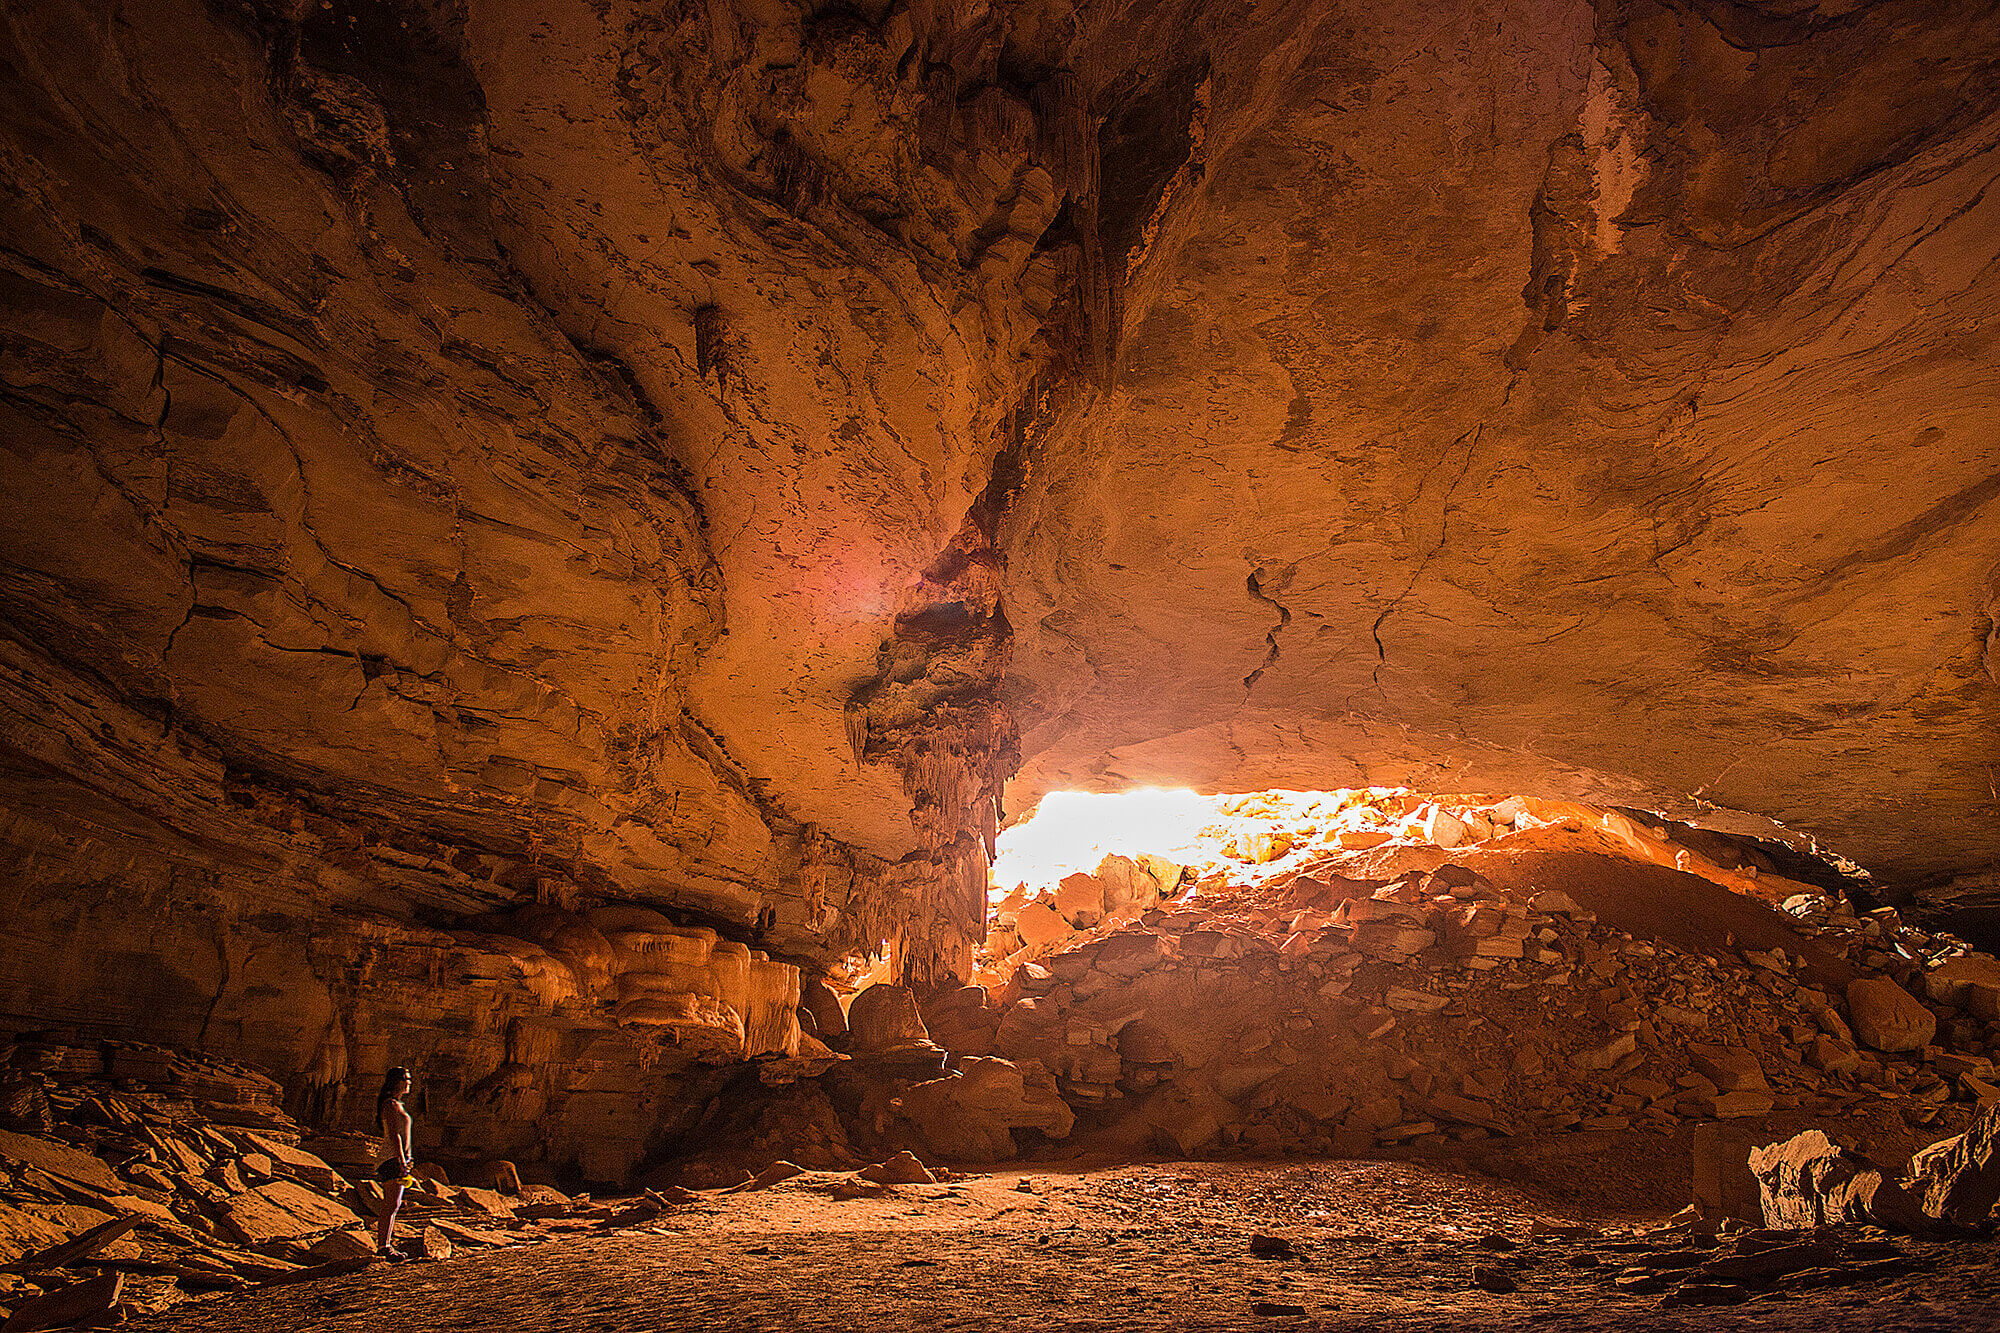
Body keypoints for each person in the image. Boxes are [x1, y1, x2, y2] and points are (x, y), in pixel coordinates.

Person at [373, 1067, 414, 1258]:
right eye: (406, 1079)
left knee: (394, 1204)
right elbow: (395, 1135)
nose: (409, 1082)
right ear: (397, 1081)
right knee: (391, 1204)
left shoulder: (398, 1104)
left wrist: (408, 1157)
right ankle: (384, 1247)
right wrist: (401, 1160)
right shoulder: (390, 1104)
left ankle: (385, 1245)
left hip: (397, 1158)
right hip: (391, 1158)